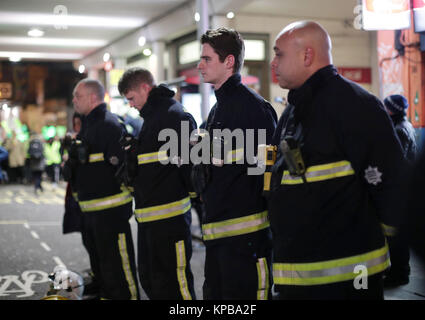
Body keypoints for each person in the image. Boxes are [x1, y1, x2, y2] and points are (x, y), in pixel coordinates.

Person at [268, 21, 406, 300]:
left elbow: (392, 188)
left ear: (307, 56)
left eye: (279, 54)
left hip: (349, 280)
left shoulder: (356, 106)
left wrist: (400, 261)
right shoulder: (292, 112)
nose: (273, 63)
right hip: (297, 276)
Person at [195, 27, 277, 300]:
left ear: (228, 61)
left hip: (246, 243)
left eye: (207, 58)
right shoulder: (217, 110)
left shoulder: (255, 109)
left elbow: (267, 176)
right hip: (219, 238)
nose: (200, 64)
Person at [118, 67, 197, 300]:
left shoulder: (175, 116)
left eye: (131, 98)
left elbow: (190, 172)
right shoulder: (152, 119)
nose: (130, 105)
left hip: (171, 224)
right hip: (149, 222)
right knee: (153, 284)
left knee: (177, 288)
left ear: (145, 88)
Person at [65, 78, 139, 300]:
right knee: (103, 269)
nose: (74, 100)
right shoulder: (89, 125)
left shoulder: (108, 125)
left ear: (92, 97)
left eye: (77, 96)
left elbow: (124, 169)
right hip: (91, 214)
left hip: (111, 215)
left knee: (118, 269)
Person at [382, 94, 418, 287]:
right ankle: (399, 270)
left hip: (399, 188)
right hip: (402, 187)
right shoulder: (406, 126)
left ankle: (400, 273)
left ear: (391, 109)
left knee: (396, 235)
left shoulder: (400, 130)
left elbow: (396, 160)